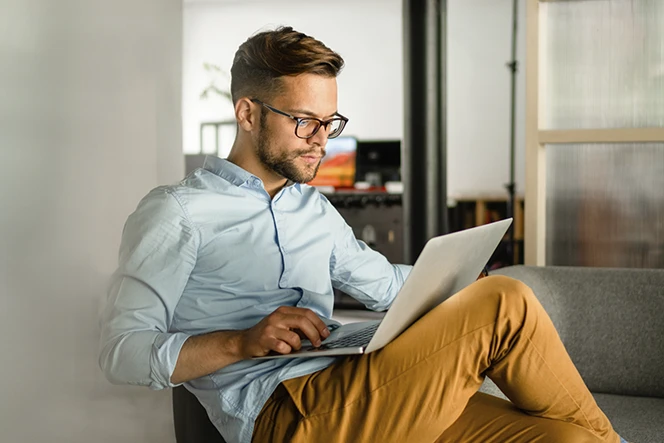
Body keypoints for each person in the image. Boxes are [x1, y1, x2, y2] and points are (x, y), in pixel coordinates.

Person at [99, 26, 627, 443]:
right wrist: (242, 341)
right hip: (286, 414)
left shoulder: (313, 209)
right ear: (248, 113)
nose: (322, 141)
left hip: (362, 384)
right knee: (506, 300)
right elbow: (122, 352)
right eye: (305, 121)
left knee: (564, 437)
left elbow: (389, 287)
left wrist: (456, 279)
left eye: (331, 122)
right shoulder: (178, 212)